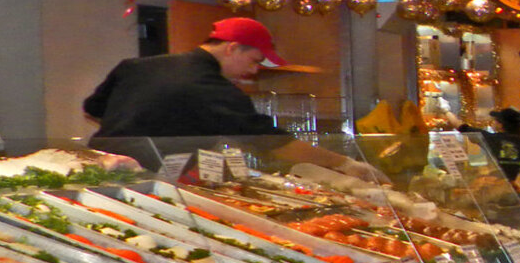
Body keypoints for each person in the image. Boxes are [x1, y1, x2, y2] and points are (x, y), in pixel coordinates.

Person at [82, 16, 383, 181]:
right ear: (232, 48)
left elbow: (93, 108)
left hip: (97, 167)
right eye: (253, 60)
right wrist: (344, 163)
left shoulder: (136, 65)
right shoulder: (211, 87)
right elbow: (274, 143)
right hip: (145, 178)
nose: (253, 72)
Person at [485, 107, 520, 179]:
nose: (492, 123)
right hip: (518, 181)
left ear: (501, 124)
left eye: (495, 121)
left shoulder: (494, 138)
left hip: (498, 180)